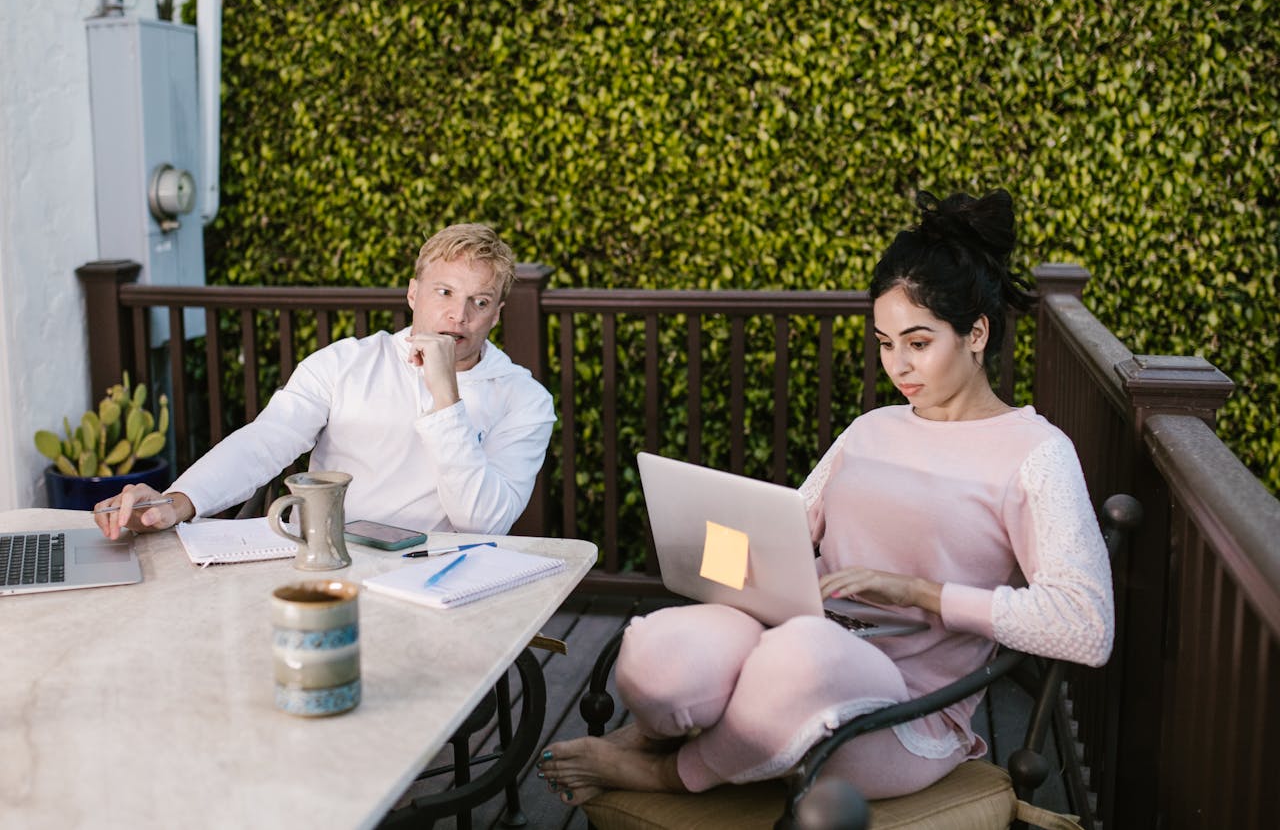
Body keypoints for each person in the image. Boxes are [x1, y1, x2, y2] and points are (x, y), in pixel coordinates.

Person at [536, 189, 1114, 804]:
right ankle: (671, 735)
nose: (899, 365)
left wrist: (921, 594)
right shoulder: (871, 429)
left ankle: (668, 770)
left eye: (918, 343)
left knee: (803, 656)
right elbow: (786, 534)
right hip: (788, 640)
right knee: (658, 651)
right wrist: (719, 552)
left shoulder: (1034, 451)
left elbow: (1086, 626)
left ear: (976, 334)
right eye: (885, 342)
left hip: (903, 713)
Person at [95, 223, 556, 540]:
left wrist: (445, 396)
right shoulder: (346, 362)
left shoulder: (525, 400)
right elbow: (268, 440)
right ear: (413, 293)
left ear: (497, 313)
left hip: (439, 577)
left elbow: (481, 523)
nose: (459, 315)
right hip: (324, 558)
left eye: (480, 301)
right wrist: (178, 501)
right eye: (444, 292)